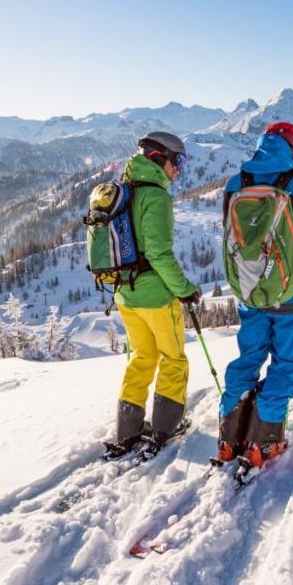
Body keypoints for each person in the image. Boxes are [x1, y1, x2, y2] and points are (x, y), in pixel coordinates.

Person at [217, 121, 293, 467]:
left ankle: (228, 438)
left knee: (248, 357)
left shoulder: (235, 183)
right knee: (287, 361)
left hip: (250, 292)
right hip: (291, 294)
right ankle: (263, 444)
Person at [110, 131, 202, 454]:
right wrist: (186, 290)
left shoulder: (124, 188)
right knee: (174, 359)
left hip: (124, 294)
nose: (179, 169)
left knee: (143, 357)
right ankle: (166, 427)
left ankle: (127, 430)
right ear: (157, 158)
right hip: (155, 296)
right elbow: (160, 255)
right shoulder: (156, 197)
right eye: (176, 161)